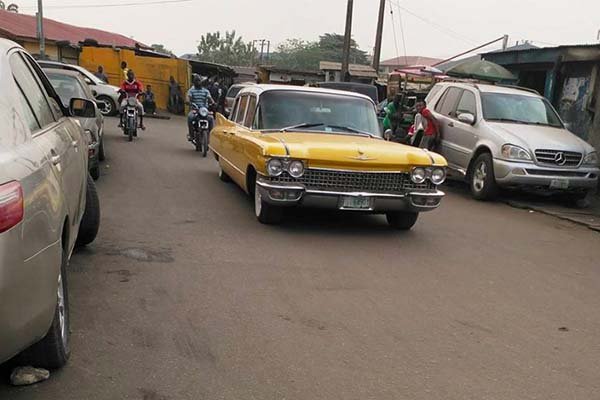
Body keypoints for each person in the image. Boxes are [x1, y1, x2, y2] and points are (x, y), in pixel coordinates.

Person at [187, 75, 215, 141]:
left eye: (199, 81)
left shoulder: (206, 91)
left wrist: (213, 103)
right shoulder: (191, 90)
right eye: (196, 81)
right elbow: (188, 97)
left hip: (204, 110)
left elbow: (210, 98)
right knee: (190, 117)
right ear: (194, 82)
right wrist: (188, 101)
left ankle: (210, 135)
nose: (198, 82)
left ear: (201, 82)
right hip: (195, 110)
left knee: (211, 118)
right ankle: (191, 135)